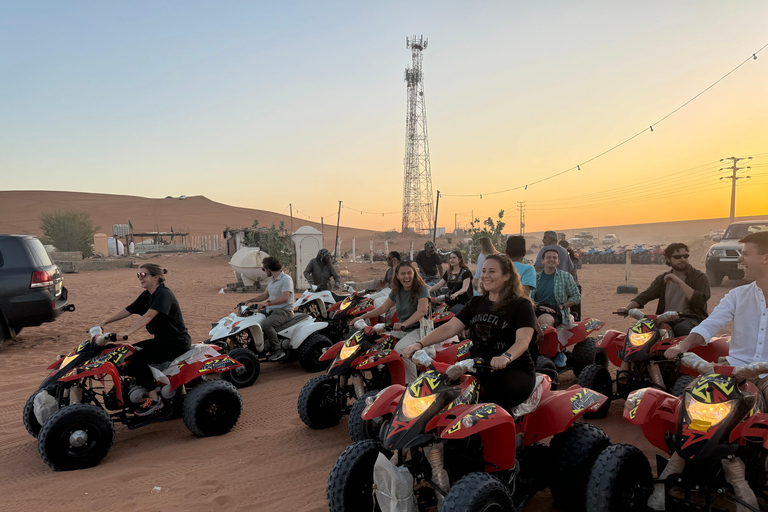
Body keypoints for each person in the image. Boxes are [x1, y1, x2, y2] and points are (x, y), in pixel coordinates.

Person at [404, 254, 537, 413]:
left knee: (489, 408)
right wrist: (419, 344)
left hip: (513, 369)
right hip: (476, 367)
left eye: (492, 271)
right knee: (442, 395)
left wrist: (506, 357)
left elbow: (523, 340)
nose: (485, 276)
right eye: (484, 271)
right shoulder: (476, 303)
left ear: (507, 276)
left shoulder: (521, 305)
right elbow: (449, 328)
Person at [665, 232, 768, 401]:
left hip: (766, 377)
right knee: (693, 403)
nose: (739, 259)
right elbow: (711, 323)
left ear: (765, 258)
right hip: (734, 369)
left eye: (746, 254)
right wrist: (683, 345)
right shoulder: (737, 295)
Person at [98, 263, 192, 416]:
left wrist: (128, 331)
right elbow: (128, 310)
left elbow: (148, 315)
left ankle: (154, 399)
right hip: (161, 340)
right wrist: (104, 323)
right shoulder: (147, 295)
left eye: (143, 275)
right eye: (138, 275)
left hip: (176, 342)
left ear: (155, 277)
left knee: (136, 360)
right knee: (126, 353)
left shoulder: (164, 294)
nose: (139, 278)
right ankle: (139, 387)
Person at [354, 261, 430, 382]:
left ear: (414, 274)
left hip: (418, 330)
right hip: (402, 330)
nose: (406, 276)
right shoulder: (396, 291)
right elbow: (383, 308)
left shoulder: (422, 289)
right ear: (398, 276)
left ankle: (411, 383)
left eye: (409, 273)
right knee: (375, 340)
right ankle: (382, 375)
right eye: (403, 274)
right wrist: (362, 317)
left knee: (401, 349)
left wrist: (405, 324)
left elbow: (421, 311)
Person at [618, 242, 710, 337]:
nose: (683, 259)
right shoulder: (663, 279)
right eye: (677, 257)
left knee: (681, 328)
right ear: (667, 259)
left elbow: (700, 300)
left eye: (685, 256)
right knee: (645, 329)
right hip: (665, 318)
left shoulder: (700, 277)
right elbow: (646, 295)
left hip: (691, 318)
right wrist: (627, 308)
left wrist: (679, 282)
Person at [245, 256, 295, 361]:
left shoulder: (286, 279)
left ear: (269, 269)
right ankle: (258, 346)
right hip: (272, 310)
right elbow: (264, 295)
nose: (264, 271)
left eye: (264, 269)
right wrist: (250, 301)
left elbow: (285, 298)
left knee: (266, 324)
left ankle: (277, 350)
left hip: (284, 311)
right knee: (252, 319)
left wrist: (267, 304)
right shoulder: (272, 280)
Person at [532, 248, 581, 329]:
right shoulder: (534, 277)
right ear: (542, 261)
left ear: (558, 262)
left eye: (554, 258)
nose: (552, 260)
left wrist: (562, 306)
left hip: (555, 310)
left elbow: (576, 296)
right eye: (548, 258)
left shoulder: (565, 276)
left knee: (543, 321)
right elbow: (527, 297)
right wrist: (537, 306)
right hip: (536, 308)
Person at [428, 250, 473, 314]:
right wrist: (428, 291)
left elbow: (465, 288)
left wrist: (456, 294)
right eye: (450, 258)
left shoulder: (465, 272)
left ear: (460, 260)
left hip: (463, 301)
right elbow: (439, 285)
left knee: (454, 310)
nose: (451, 260)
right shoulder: (448, 272)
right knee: (436, 310)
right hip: (450, 300)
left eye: (454, 258)